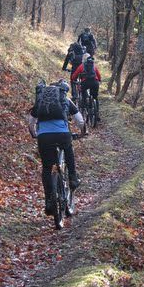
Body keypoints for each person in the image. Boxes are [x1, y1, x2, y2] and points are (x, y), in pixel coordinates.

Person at [28, 79, 85, 215]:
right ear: (62, 90)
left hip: (44, 137)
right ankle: (72, 177)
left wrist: (34, 133)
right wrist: (82, 132)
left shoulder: (41, 101)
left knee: (47, 167)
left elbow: (31, 123)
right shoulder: (65, 99)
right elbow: (80, 120)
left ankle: (49, 200)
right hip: (62, 135)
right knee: (68, 151)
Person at [71, 55, 101, 121]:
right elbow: (99, 75)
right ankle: (97, 113)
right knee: (95, 97)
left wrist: (73, 79)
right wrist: (99, 80)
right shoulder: (94, 66)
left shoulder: (82, 66)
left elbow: (74, 75)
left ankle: (84, 108)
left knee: (83, 94)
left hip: (85, 83)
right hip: (95, 83)